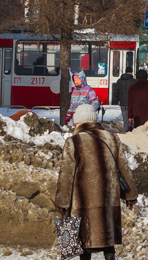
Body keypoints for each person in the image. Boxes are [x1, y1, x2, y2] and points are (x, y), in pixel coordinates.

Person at [54, 104, 137, 260]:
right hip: (108, 202)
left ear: (78, 121)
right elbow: (124, 169)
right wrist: (131, 194)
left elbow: (66, 175)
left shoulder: (74, 141)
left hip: (83, 204)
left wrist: (62, 203)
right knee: (108, 242)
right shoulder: (112, 138)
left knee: (85, 244)